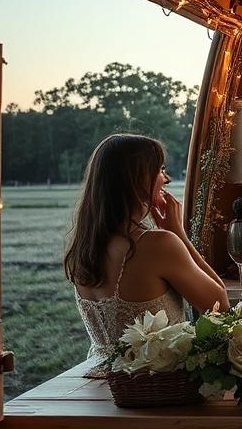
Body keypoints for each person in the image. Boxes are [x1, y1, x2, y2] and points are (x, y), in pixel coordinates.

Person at [65, 134, 229, 367]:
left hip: (100, 382)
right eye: (160, 170)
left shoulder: (84, 248)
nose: (167, 179)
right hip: (155, 389)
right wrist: (179, 233)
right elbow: (220, 305)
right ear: (138, 179)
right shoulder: (158, 244)